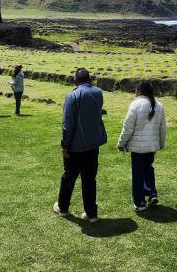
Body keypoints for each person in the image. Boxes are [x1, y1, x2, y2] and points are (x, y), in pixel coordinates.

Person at [53, 68, 107, 222]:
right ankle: (91, 213)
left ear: (75, 80)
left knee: (69, 176)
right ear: (89, 79)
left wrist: (64, 145)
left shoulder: (72, 96)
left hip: (75, 146)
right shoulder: (98, 92)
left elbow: (67, 125)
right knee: (89, 178)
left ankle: (63, 207)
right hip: (93, 144)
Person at [117, 81, 167, 211]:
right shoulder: (159, 106)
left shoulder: (136, 105)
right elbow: (163, 128)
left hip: (137, 147)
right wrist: (161, 143)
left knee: (138, 173)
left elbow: (127, 128)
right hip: (152, 146)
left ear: (139, 91)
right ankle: (152, 193)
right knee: (148, 169)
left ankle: (140, 202)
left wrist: (121, 143)